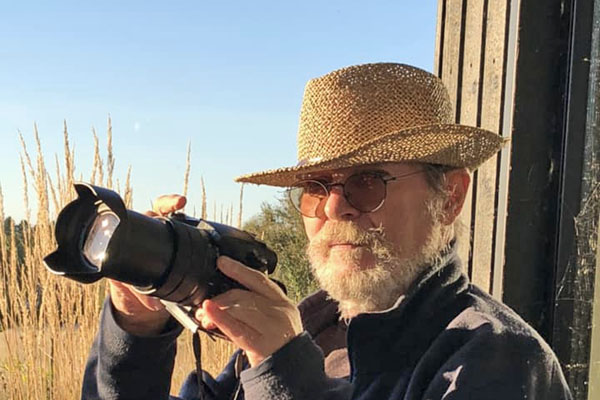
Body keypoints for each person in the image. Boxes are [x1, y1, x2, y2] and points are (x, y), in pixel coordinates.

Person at [81, 63, 573, 399]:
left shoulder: (497, 358)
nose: (334, 207)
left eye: (366, 182)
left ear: (449, 198)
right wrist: (137, 330)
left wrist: (283, 371)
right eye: (315, 187)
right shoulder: (306, 325)